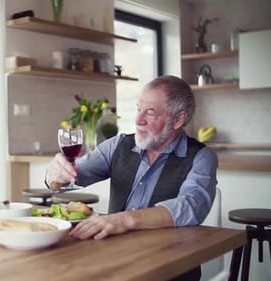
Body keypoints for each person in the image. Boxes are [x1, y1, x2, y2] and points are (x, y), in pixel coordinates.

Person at [45, 75, 218, 280]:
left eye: (150, 112)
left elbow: (190, 207)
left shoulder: (201, 157)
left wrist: (124, 219)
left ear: (178, 119)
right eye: (138, 109)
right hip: (116, 261)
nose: (138, 120)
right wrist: (55, 175)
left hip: (170, 269)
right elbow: (70, 176)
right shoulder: (118, 145)